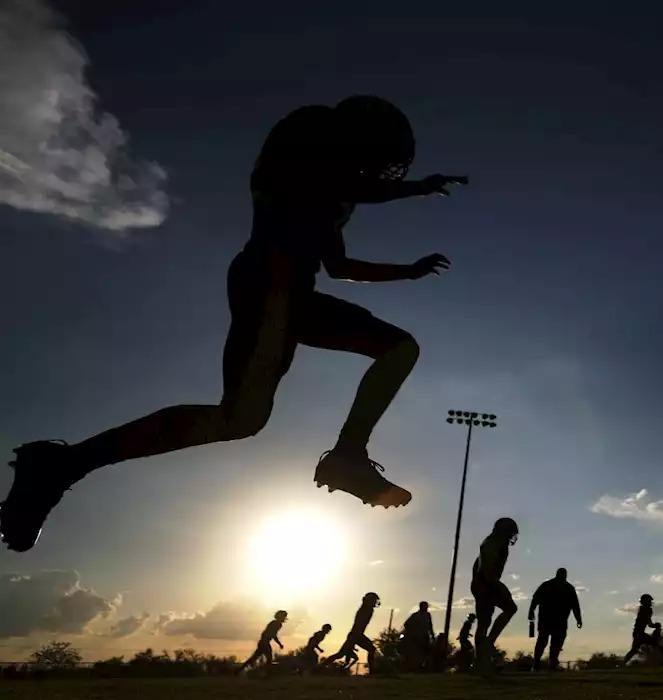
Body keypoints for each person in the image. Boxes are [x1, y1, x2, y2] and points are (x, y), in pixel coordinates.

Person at [2, 96, 469, 553]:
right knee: (240, 416)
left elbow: (340, 266)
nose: (372, 174)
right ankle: (63, 464)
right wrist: (417, 188)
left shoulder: (331, 196)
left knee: (391, 350)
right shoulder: (307, 141)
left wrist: (408, 270)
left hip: (292, 293)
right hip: (269, 281)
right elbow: (336, 184)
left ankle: (348, 454)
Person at [471, 517, 519, 671]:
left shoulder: (492, 541)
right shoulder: (496, 542)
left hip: (483, 582)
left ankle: (481, 659)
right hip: (486, 582)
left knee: (484, 623)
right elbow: (486, 561)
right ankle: (488, 645)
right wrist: (490, 581)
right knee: (509, 608)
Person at [528, 567, 583, 670]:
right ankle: (540, 663)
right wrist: (578, 619)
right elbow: (575, 606)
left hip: (554, 620)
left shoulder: (552, 586)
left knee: (551, 642)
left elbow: (575, 606)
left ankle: (547, 663)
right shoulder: (565, 588)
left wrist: (578, 619)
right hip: (552, 620)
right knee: (547, 641)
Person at [323, 591, 380, 668]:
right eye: (374, 600)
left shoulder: (368, 609)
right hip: (355, 635)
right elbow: (359, 625)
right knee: (340, 654)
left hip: (356, 635)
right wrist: (354, 640)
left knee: (340, 654)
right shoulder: (365, 609)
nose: (375, 602)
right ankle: (372, 671)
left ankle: (320, 666)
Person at [623, 594, 663, 663]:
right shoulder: (647, 610)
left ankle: (623, 663)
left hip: (639, 633)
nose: (650, 603)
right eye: (649, 601)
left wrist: (655, 625)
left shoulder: (644, 609)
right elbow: (649, 624)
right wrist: (656, 625)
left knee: (635, 650)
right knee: (634, 650)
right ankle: (622, 663)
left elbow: (649, 623)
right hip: (639, 633)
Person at [401, 601, 435, 670]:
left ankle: (423, 667)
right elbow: (406, 624)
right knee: (416, 653)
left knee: (425, 652)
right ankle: (414, 667)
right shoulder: (415, 615)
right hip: (416, 637)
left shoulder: (428, 615)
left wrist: (432, 635)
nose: (426, 608)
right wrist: (412, 632)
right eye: (425, 606)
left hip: (425, 636)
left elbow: (430, 626)